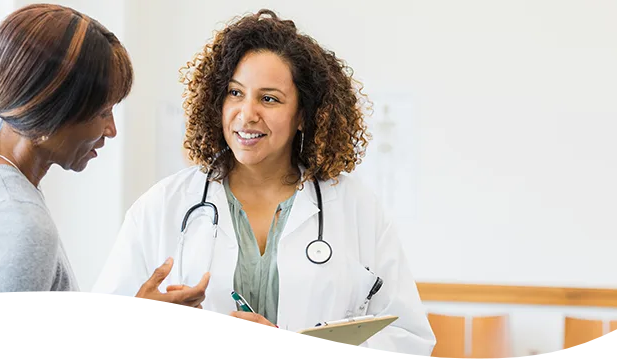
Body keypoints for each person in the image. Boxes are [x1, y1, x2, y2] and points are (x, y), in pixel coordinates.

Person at [92, 9, 435, 358]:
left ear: (303, 115)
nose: (247, 113)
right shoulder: (163, 206)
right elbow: (99, 338)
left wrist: (291, 349)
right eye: (235, 93)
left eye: (269, 98)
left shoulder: (356, 208)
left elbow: (408, 339)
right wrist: (139, 318)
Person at [0, 4, 208, 310]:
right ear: (49, 114)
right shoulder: (19, 224)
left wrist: (137, 314)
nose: (111, 130)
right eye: (103, 112)